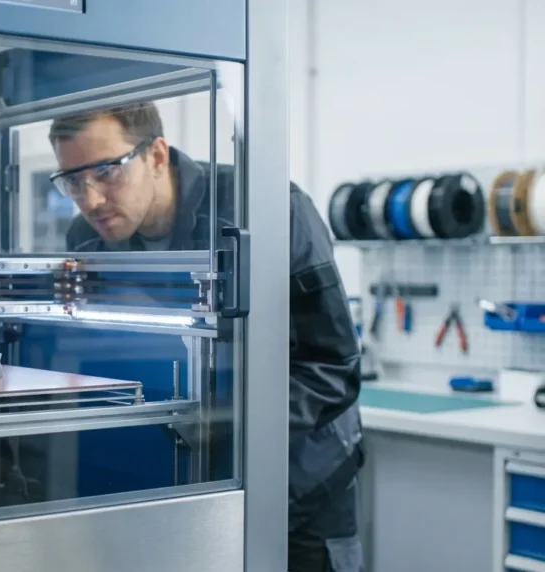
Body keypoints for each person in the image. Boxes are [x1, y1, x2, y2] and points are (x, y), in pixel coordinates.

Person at [47, 103, 365, 571]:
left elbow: (332, 369)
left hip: (299, 480)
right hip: (184, 480)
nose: (90, 199)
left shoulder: (268, 209)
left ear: (156, 155)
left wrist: (219, 423)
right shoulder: (89, 238)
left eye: (106, 172)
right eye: (72, 180)